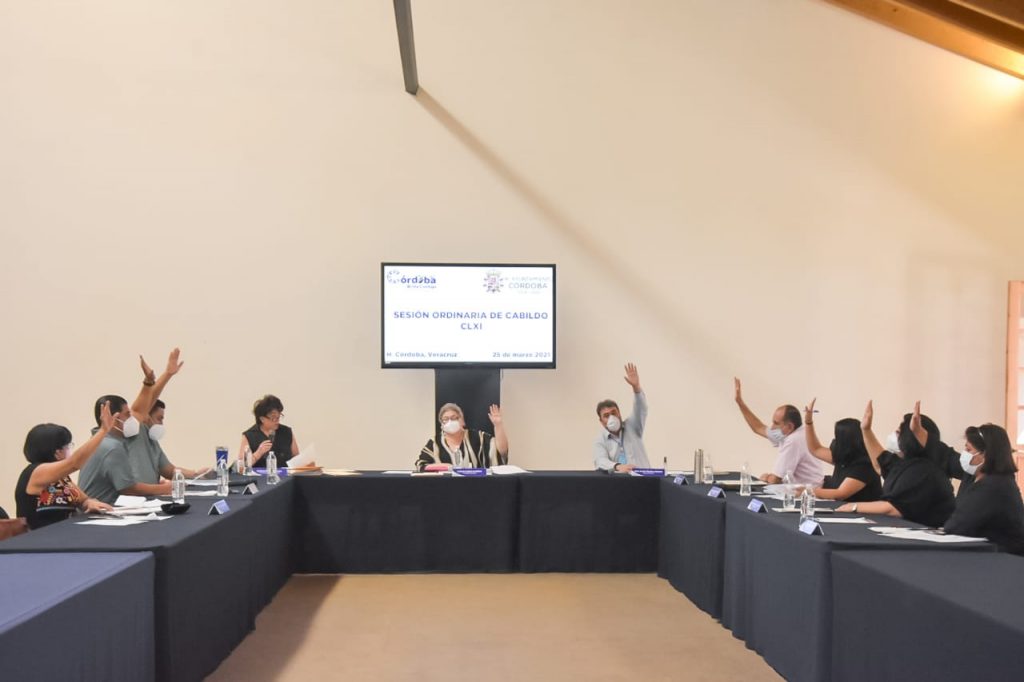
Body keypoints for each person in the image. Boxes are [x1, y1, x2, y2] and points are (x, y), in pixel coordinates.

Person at [836, 400, 955, 528]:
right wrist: (866, 430)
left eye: (898, 432)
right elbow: (879, 463)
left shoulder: (924, 470)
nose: (894, 436)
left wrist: (853, 506)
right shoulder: (906, 464)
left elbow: (893, 508)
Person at [15, 402, 115, 529]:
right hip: (40, 536)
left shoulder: (61, 476)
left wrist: (89, 502)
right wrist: (103, 431)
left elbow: (83, 499)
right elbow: (74, 463)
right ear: (57, 452)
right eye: (68, 446)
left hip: (66, 532)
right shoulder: (36, 472)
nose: (70, 449)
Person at [78, 385, 175, 504]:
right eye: (128, 414)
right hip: (100, 509)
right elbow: (129, 489)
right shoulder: (112, 447)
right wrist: (165, 488)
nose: (132, 419)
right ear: (115, 418)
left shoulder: (98, 441)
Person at [942, 424, 1024, 554]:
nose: (964, 454)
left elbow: (957, 525)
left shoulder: (994, 486)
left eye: (969, 450)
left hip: (1004, 557)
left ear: (985, 454)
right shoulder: (985, 479)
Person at [128, 350, 206, 484]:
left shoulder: (151, 441)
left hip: (153, 494)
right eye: (159, 418)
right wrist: (165, 375)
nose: (161, 424)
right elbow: (141, 407)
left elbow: (169, 471)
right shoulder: (132, 432)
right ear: (146, 415)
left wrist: (196, 474)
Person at [733, 378, 823, 485]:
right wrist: (740, 403)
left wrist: (767, 477)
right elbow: (759, 428)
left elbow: (775, 480)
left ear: (789, 426)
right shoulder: (793, 432)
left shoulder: (793, 440)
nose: (771, 428)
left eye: (776, 423)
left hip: (807, 492)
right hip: (803, 488)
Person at [802, 398, 882, 502]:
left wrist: (807, 491)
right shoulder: (844, 457)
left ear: (846, 442)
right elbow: (815, 449)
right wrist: (808, 422)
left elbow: (840, 494)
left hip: (863, 511)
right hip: (844, 509)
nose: (834, 441)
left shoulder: (865, 466)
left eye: (837, 438)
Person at [416, 403, 508, 471]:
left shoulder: (478, 437)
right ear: (441, 424)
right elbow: (421, 465)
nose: (450, 422)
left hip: (476, 486)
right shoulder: (435, 443)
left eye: (454, 418)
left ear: (462, 420)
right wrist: (445, 467)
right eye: (445, 419)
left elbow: (501, 452)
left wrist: (498, 425)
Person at [593, 363, 650, 472]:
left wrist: (636, 388)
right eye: (606, 415)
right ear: (601, 421)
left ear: (619, 413)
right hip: (619, 480)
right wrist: (617, 466)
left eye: (614, 412)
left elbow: (641, 408)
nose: (611, 417)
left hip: (643, 478)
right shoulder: (600, 440)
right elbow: (600, 461)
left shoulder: (632, 426)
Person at [240, 395, 300, 467]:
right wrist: (258, 453)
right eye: (273, 418)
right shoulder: (249, 435)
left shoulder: (286, 431)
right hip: (259, 474)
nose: (277, 421)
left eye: (278, 417)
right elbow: (241, 465)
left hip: (285, 473)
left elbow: (296, 457)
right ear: (262, 419)